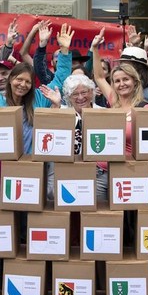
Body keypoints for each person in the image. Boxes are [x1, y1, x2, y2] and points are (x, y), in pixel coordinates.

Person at [0, 25, 73, 154]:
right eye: (19, 79)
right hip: (5, 162)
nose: (23, 84)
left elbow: (60, 80)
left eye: (28, 82)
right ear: (11, 79)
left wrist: (64, 50)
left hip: (33, 163)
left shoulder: (41, 96)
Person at [47, 73, 108, 202]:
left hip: (95, 172)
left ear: (92, 92)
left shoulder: (103, 113)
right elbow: (49, 132)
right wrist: (55, 106)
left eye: (84, 92)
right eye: (75, 94)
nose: (80, 97)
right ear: (68, 97)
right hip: (63, 169)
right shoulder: (61, 111)